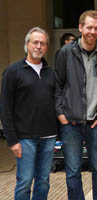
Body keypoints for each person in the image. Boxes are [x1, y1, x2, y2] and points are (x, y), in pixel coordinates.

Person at [55, 10, 97, 200]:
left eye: (96, 28)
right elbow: (58, 85)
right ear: (81, 28)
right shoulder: (65, 53)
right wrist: (61, 114)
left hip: (95, 123)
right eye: (89, 27)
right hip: (71, 123)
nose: (92, 31)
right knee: (72, 171)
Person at [0, 27, 57, 200]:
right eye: (35, 42)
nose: (39, 46)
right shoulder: (13, 71)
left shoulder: (51, 73)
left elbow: (56, 104)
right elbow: (5, 107)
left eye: (43, 43)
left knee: (43, 181)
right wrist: (12, 140)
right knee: (24, 182)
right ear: (27, 45)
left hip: (49, 137)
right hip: (25, 139)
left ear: (46, 47)